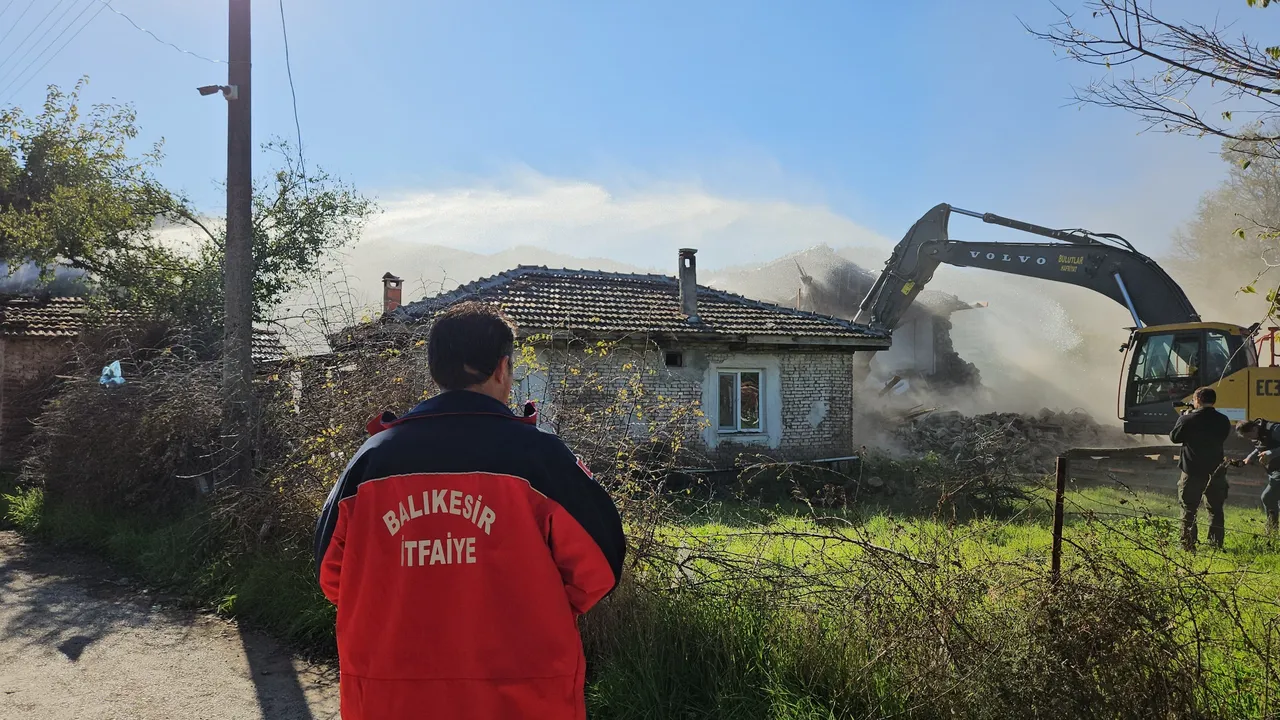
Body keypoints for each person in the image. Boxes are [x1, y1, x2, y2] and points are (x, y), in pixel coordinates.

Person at [313, 301, 626, 720]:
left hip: (391, 700)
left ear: (436, 372)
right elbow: (599, 567)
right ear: (502, 368)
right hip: (521, 698)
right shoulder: (540, 458)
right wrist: (531, 604)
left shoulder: (370, 461)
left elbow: (332, 576)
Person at [1169, 386, 1232, 550]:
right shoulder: (1223, 420)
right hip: (1216, 470)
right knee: (1215, 509)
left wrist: (1183, 417)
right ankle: (1215, 544)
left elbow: (1174, 437)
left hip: (1192, 470)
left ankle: (1187, 543)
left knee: (1189, 508)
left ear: (1197, 400)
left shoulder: (1187, 419)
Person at [1237, 418, 1280, 534]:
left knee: (1268, 497)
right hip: (1274, 470)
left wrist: (1270, 453)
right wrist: (1250, 457)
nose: (1250, 439)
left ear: (1254, 428)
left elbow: (1269, 450)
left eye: (1249, 436)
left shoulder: (1275, 429)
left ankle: (1271, 530)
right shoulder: (1258, 433)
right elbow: (1261, 447)